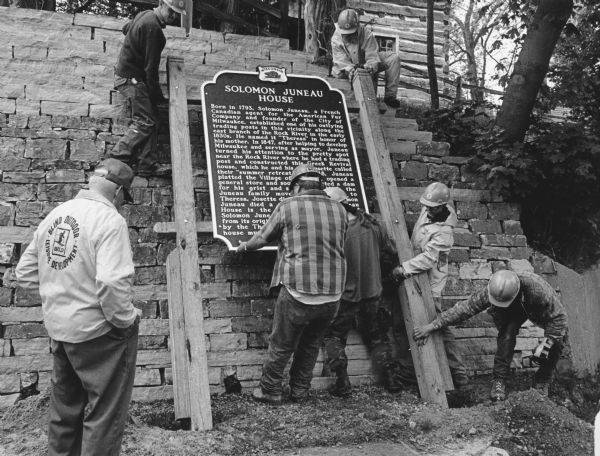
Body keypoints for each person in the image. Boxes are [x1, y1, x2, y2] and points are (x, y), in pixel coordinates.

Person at [15, 158, 140, 456]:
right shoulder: (110, 220)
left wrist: (60, 295)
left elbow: (25, 273)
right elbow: (111, 283)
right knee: (104, 415)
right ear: (119, 192)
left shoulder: (56, 214)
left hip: (60, 330)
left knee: (64, 411)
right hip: (99, 335)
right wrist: (125, 320)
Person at [236, 164, 348, 404]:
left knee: (281, 344)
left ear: (297, 186)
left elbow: (261, 238)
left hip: (298, 290)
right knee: (311, 345)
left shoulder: (287, 206)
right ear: (320, 185)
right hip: (332, 294)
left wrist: (243, 246)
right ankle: (299, 391)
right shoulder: (340, 210)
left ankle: (269, 390)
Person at [414, 269, 568, 401]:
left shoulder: (538, 291)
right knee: (506, 337)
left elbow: (560, 318)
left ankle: (542, 381)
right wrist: (432, 325)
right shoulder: (493, 289)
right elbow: (464, 309)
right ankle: (499, 381)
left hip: (539, 311)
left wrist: (545, 344)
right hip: (512, 311)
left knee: (556, 344)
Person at [322, 187, 403, 397]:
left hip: (345, 297)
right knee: (378, 337)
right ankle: (391, 380)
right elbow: (391, 252)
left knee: (334, 337)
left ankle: (343, 383)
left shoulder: (334, 232)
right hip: (373, 293)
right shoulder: (373, 225)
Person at [392, 182, 469, 388]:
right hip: (415, 276)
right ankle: (408, 372)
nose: (427, 209)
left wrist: (403, 268)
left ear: (442, 206)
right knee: (403, 323)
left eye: (432, 207)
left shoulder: (444, 232)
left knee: (439, 327)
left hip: (431, 282)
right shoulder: (430, 211)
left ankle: (458, 373)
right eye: (426, 205)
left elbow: (428, 259)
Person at [109, 0, 187, 177]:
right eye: (171, 11)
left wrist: (134, 45)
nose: (173, 16)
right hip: (131, 79)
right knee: (144, 121)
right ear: (161, 4)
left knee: (152, 117)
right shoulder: (155, 30)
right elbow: (150, 70)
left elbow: (125, 28)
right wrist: (158, 96)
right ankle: (117, 156)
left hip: (128, 75)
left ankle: (147, 164)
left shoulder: (145, 14)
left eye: (176, 14)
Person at [331, 8, 402, 109]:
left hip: (365, 63)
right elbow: (341, 60)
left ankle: (390, 97)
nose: (349, 35)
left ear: (357, 26)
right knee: (337, 71)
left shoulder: (366, 34)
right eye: (346, 34)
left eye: (352, 33)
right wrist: (350, 70)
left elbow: (372, 55)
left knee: (393, 58)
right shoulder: (336, 39)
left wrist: (369, 67)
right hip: (347, 68)